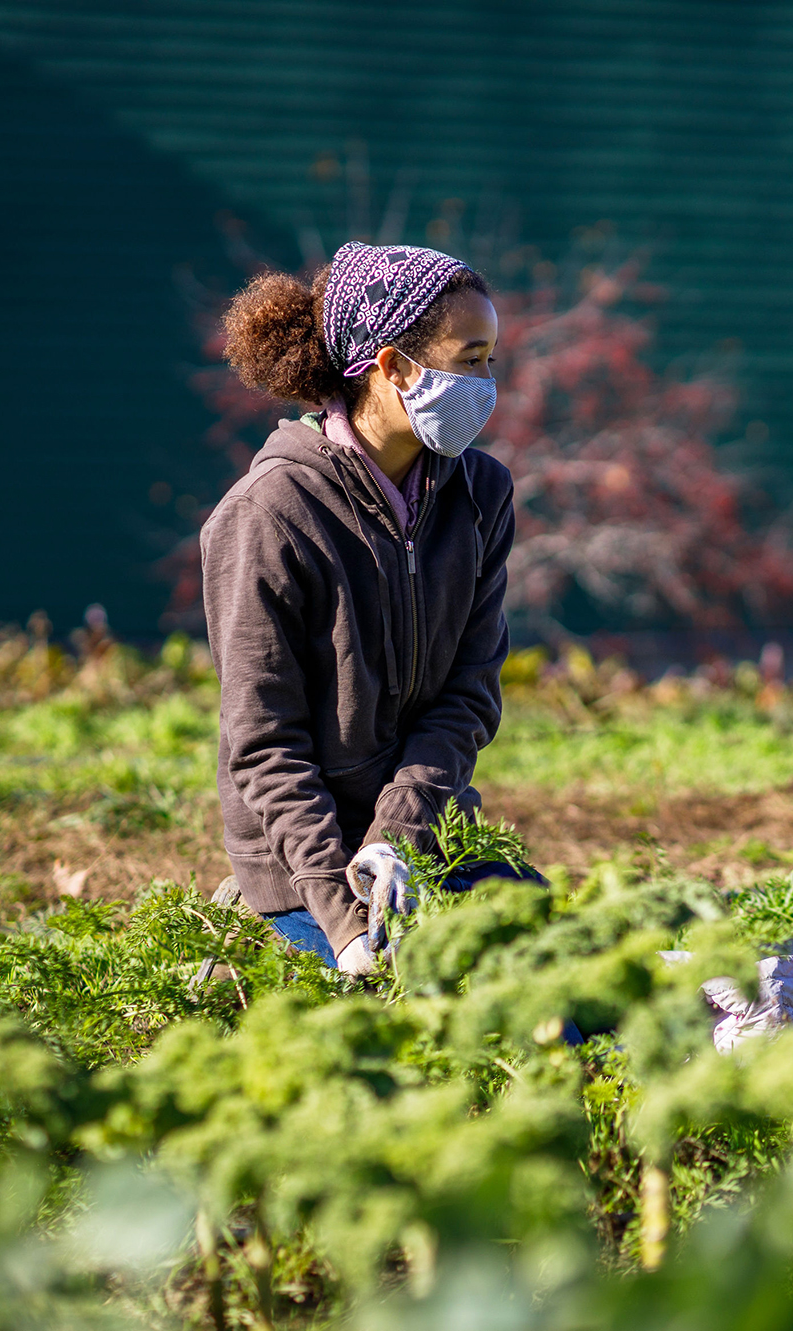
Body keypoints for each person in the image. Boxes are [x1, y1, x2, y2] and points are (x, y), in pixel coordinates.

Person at [203, 241, 516, 975]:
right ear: (392, 366)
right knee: (417, 1014)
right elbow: (263, 743)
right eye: (469, 361)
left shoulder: (480, 496)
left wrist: (396, 838)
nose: (487, 383)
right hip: (303, 866)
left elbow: (467, 698)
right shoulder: (269, 515)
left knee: (564, 994)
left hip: (421, 841)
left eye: (491, 361)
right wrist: (344, 924)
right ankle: (251, 927)